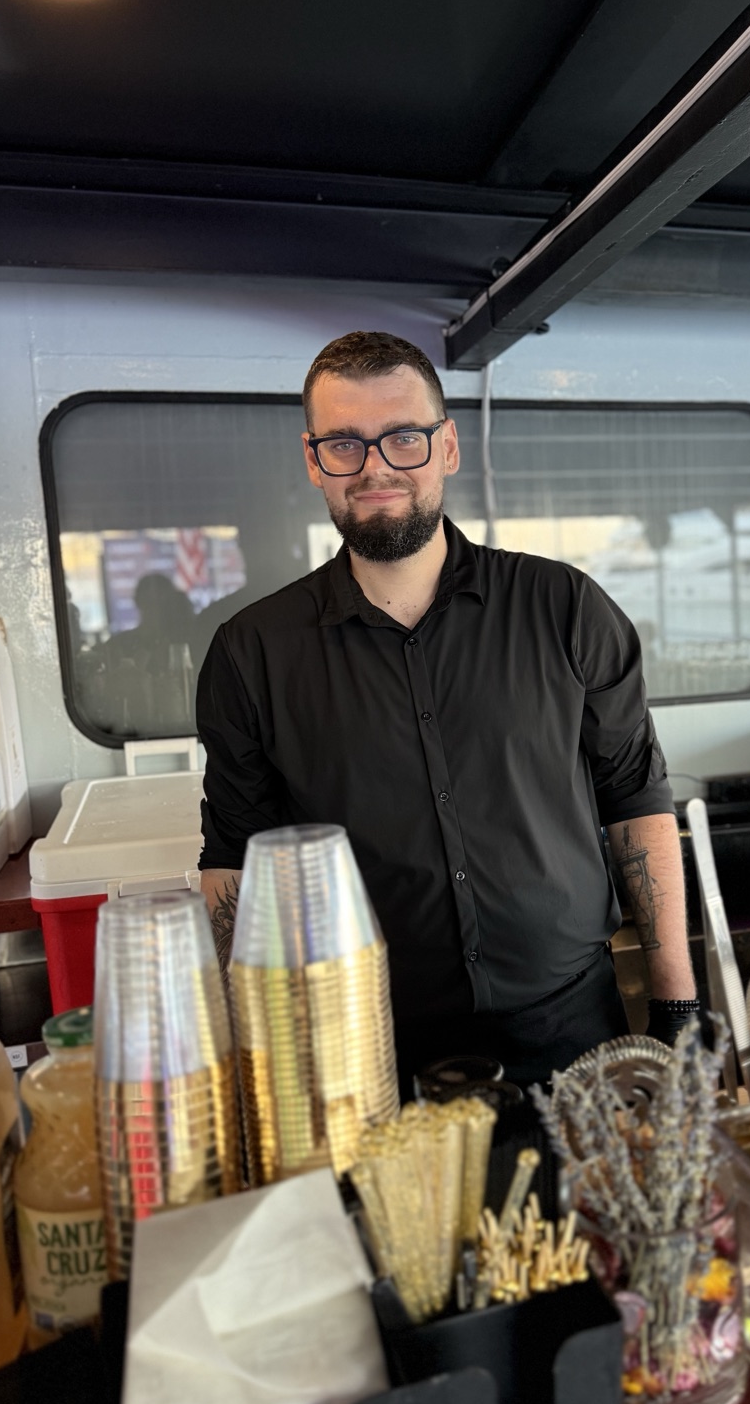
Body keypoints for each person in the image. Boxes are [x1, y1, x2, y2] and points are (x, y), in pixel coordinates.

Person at [196, 330, 698, 1089]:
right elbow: (235, 861)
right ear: (312, 460)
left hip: (573, 1036)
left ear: (448, 447)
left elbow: (636, 801)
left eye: (404, 438)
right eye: (344, 445)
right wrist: (245, 1057)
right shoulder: (251, 654)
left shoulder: (565, 609)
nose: (375, 468)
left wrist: (676, 1006)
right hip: (363, 1054)